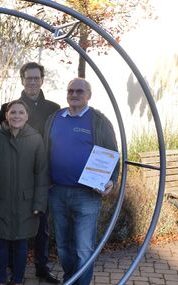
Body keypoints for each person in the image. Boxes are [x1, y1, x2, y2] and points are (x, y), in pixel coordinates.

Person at [43, 77, 119, 285]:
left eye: (79, 91)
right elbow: (45, 151)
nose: (74, 95)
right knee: (62, 245)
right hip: (57, 192)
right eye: (71, 91)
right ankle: (70, 279)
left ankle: (81, 283)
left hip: (86, 194)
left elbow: (112, 153)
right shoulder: (55, 118)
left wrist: (112, 179)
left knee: (83, 247)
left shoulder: (98, 121)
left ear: (89, 95)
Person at [0, 62, 60, 284]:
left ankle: (42, 266)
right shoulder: (10, 107)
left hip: (42, 178)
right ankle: (15, 269)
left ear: (42, 79)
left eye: (36, 77)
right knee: (13, 225)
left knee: (42, 226)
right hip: (14, 179)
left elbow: (57, 142)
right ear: (22, 80)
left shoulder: (53, 108)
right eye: (28, 78)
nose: (32, 81)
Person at [0, 100, 49, 285]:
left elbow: (41, 175)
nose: (16, 116)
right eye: (13, 112)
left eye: (21, 113)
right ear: (7, 115)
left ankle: (18, 280)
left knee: (21, 244)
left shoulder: (36, 139)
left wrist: (39, 204)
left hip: (27, 204)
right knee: (0, 245)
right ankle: (1, 280)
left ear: (27, 116)